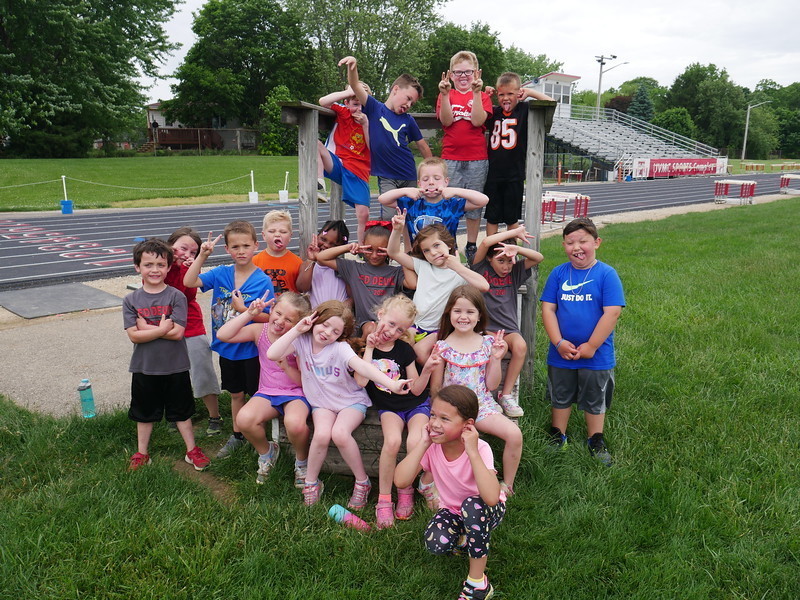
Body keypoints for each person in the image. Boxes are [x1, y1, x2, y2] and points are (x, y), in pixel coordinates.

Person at [266, 300, 411, 507]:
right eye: (324, 325)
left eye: (335, 331)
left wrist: (393, 384)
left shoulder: (340, 348)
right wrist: (298, 329)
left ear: (341, 335)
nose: (327, 333)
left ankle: (362, 482)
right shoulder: (302, 341)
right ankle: (311, 483)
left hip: (350, 402)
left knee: (340, 433)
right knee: (322, 434)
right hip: (322, 404)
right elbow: (273, 354)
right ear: (315, 319)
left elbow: (364, 368)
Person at [395, 384, 506, 600]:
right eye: (433, 415)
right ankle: (466, 540)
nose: (435, 423)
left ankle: (478, 583)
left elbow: (491, 498)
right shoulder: (432, 446)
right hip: (455, 512)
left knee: (472, 507)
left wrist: (472, 451)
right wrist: (423, 444)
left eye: (445, 419)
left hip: (486, 510)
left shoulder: (481, 449)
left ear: (467, 425)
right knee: (436, 543)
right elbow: (400, 480)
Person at [183, 220, 275, 459]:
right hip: (227, 347)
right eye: (235, 246)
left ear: (256, 245)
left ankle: (259, 436)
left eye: (246, 245)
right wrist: (202, 256)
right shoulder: (221, 273)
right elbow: (189, 281)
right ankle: (237, 435)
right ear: (227, 249)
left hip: (252, 349)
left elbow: (269, 317)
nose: (241, 251)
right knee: (235, 394)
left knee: (256, 395)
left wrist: (245, 309)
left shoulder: (262, 280)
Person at [540, 217, 625, 466]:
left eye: (583, 241)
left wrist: (591, 346)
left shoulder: (606, 274)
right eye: (570, 242)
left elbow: (612, 313)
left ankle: (595, 439)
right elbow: (548, 310)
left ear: (596, 242)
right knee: (561, 394)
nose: (576, 247)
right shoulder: (558, 274)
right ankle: (558, 435)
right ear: (563, 245)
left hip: (597, 355)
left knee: (594, 397)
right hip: (561, 352)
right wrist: (558, 342)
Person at [123, 238, 210, 472]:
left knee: (181, 412)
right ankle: (142, 452)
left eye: (160, 265)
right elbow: (133, 336)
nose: (154, 270)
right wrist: (163, 329)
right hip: (144, 367)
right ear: (137, 267)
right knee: (144, 414)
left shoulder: (176, 297)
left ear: (169, 267)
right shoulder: (131, 300)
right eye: (148, 265)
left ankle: (192, 450)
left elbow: (178, 333)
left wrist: (149, 329)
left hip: (175, 366)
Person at [354, 294, 439, 528]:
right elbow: (361, 380)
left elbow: (417, 388)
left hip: (416, 405)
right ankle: (383, 500)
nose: (392, 332)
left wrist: (427, 370)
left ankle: (406, 491)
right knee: (391, 442)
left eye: (399, 329)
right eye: (390, 324)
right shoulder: (365, 348)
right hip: (389, 407)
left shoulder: (403, 350)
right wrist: (370, 349)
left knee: (415, 442)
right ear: (380, 315)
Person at [430, 285, 523, 494]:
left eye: (470, 311)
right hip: (451, 410)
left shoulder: (487, 343)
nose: (464, 317)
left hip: (481, 405)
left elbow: (491, 385)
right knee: (440, 439)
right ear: (449, 313)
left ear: (479, 315)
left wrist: (496, 359)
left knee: (514, 434)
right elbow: (436, 388)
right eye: (458, 311)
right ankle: (435, 483)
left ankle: (506, 485)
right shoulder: (443, 346)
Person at [217, 292, 313, 486]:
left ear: (297, 324)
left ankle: (302, 462)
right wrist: (249, 313)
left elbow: (304, 381)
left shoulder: (300, 340)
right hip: (268, 391)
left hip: (296, 393)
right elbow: (222, 335)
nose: (279, 321)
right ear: (271, 309)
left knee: (295, 423)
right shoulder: (259, 330)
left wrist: (286, 366)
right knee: (243, 419)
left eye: (288, 319)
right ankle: (267, 452)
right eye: (277, 313)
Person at [387, 210, 489, 364]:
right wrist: (397, 230)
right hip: (416, 325)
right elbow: (393, 252)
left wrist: (457, 266)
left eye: (436, 245)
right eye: (426, 250)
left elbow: (484, 286)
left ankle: (439, 384)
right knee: (398, 348)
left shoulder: (459, 272)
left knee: (420, 353)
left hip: (439, 329)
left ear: (448, 245)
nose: (433, 253)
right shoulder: (423, 266)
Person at [471, 226, 544, 417]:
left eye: (509, 261)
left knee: (520, 347)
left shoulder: (515, 272)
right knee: (491, 349)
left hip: (509, 328)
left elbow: (538, 257)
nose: (506, 266)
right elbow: (486, 242)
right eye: (500, 261)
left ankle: (506, 394)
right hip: (485, 328)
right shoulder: (480, 269)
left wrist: (517, 250)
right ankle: (485, 395)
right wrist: (514, 233)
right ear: (489, 258)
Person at [338, 55, 432, 199]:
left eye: (412, 103)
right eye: (408, 98)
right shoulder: (374, 107)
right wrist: (353, 67)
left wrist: (431, 172)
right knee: (389, 215)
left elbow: (422, 146)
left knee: (410, 215)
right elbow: (355, 85)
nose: (408, 105)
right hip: (386, 176)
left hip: (408, 174)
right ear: (395, 89)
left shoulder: (408, 120)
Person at [437, 50, 494, 264]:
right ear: (451, 75)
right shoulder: (447, 94)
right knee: (447, 201)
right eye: (458, 72)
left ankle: (471, 244)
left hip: (477, 157)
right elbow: (447, 121)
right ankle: (448, 243)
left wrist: (477, 93)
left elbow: (479, 121)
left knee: (474, 203)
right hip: (451, 157)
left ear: (476, 72)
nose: (463, 76)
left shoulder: (483, 96)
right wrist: (444, 95)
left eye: (468, 72)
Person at [165, 226, 223, 436]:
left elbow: (185, 294)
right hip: (164, 328)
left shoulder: (190, 268)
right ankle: (177, 412)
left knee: (201, 370)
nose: (186, 255)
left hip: (191, 326)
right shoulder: (159, 264)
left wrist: (189, 267)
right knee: (171, 373)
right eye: (182, 248)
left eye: (192, 252)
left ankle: (214, 416)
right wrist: (171, 265)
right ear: (170, 245)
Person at [484, 72, 554, 240]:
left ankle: (511, 253)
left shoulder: (525, 109)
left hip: (514, 174)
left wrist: (530, 92)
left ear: (518, 93)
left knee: (512, 218)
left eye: (510, 93)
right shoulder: (493, 112)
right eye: (501, 94)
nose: (505, 98)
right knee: (492, 217)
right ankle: (491, 252)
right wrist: (485, 97)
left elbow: (551, 103)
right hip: (493, 174)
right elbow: (477, 115)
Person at [315, 221, 406, 338]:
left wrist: (395, 253)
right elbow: (321, 257)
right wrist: (350, 247)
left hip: (390, 324)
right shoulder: (354, 268)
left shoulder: (395, 272)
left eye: (380, 250)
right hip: (364, 326)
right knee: (371, 329)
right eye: (369, 249)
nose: (374, 255)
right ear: (363, 245)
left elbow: (412, 283)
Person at [378, 157, 488, 246]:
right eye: (425, 179)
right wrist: (405, 191)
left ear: (446, 182)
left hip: (446, 258)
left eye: (437, 178)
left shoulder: (452, 204)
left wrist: (455, 190)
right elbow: (383, 199)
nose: (431, 182)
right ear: (419, 183)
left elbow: (483, 200)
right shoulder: (412, 203)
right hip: (419, 257)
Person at [317, 82, 372, 244]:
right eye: (355, 104)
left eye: (363, 105)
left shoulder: (370, 120)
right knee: (315, 144)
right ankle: (318, 184)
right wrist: (347, 92)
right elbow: (323, 101)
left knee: (363, 214)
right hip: (338, 164)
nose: (359, 109)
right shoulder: (343, 112)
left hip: (359, 170)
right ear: (347, 103)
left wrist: (366, 125)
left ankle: (361, 247)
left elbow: (372, 147)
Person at [296, 219, 350, 309]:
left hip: (338, 315)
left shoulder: (343, 267)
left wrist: (342, 309)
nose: (326, 245)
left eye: (334, 245)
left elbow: (352, 296)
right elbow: (302, 288)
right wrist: (311, 260)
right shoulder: (308, 265)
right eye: (323, 239)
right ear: (317, 236)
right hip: (316, 316)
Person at [252, 210, 302, 296]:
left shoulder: (298, 262)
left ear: (290, 236)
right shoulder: (254, 262)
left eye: (283, 232)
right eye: (272, 231)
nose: (277, 234)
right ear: (264, 235)